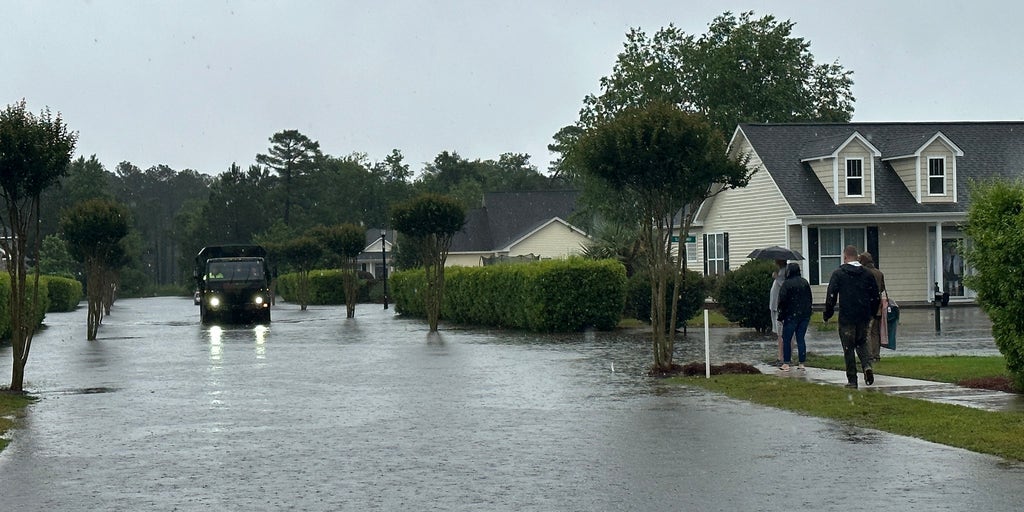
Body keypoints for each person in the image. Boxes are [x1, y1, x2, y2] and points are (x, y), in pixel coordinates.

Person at [823, 245, 880, 388]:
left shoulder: (839, 274)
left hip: (847, 316)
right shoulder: (867, 274)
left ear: (845, 257)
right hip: (863, 315)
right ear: (857, 257)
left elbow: (831, 295)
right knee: (861, 342)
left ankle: (852, 380)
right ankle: (867, 366)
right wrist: (872, 312)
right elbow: (875, 296)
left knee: (848, 348)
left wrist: (827, 313)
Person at [777, 262, 812, 372]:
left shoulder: (786, 284)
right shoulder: (804, 282)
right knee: (800, 338)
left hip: (790, 315)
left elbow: (782, 300)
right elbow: (809, 298)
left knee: (787, 338)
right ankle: (802, 363)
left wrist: (781, 315)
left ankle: (786, 363)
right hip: (804, 315)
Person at [859, 252, 886, 362]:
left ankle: (869, 355)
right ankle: (876, 354)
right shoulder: (879, 273)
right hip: (878, 306)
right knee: (876, 332)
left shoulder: (863, 273)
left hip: (867, 306)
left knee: (867, 331)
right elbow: (883, 288)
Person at [768, 259, 787, 366]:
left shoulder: (784, 272)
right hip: (774, 306)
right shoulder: (780, 271)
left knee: (781, 333)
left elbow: (784, 285)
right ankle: (780, 356)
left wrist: (777, 278)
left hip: (779, 307)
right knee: (779, 333)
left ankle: (782, 357)